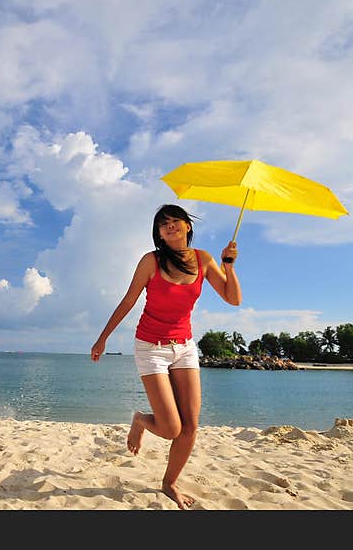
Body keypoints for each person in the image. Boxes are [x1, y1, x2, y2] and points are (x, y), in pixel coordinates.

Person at [90, 204, 241, 509]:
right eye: (163, 224)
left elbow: (233, 299)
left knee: (190, 427)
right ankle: (141, 421)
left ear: (187, 226)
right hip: (150, 347)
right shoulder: (151, 261)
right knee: (171, 428)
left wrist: (229, 265)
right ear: (158, 233)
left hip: (184, 347)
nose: (170, 227)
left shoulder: (204, 259)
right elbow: (129, 300)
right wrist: (103, 338)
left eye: (175, 221)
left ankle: (169, 482)